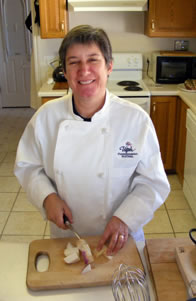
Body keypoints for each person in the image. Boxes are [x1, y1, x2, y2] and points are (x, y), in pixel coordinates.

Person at [14, 25, 170, 255]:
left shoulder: (136, 120)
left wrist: (125, 219)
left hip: (121, 238)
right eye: (74, 62)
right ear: (65, 72)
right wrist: (47, 197)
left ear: (108, 67)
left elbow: (153, 183)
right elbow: (28, 167)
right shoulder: (45, 118)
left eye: (93, 60)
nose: (84, 71)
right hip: (67, 236)